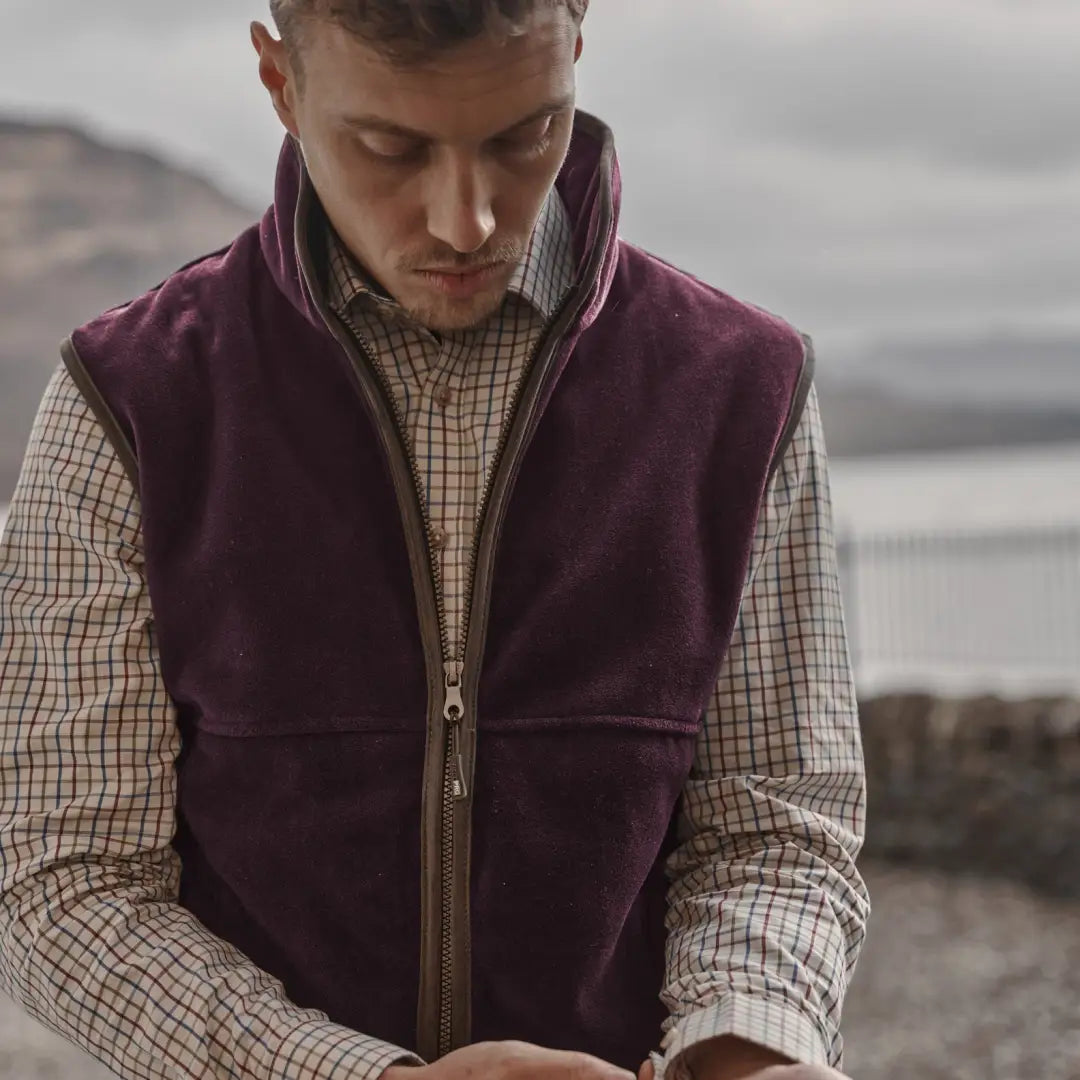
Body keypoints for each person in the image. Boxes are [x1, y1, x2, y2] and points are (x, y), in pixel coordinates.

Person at [0, 2, 869, 1078]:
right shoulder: (126, 402)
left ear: (575, 52)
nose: (467, 221)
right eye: (391, 148)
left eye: (523, 135)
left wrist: (746, 1045)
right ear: (281, 84)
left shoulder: (745, 387)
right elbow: (65, 878)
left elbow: (775, 826)